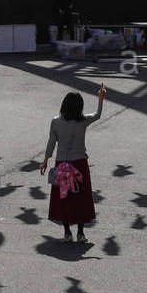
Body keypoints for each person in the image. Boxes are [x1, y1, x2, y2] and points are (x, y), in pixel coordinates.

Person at [41, 84, 105, 243]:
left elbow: (51, 143)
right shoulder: (83, 121)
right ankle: (81, 233)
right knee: (81, 198)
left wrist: (45, 160)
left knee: (65, 199)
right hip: (79, 164)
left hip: (62, 163)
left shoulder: (55, 122)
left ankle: (67, 232)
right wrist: (100, 98)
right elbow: (97, 114)